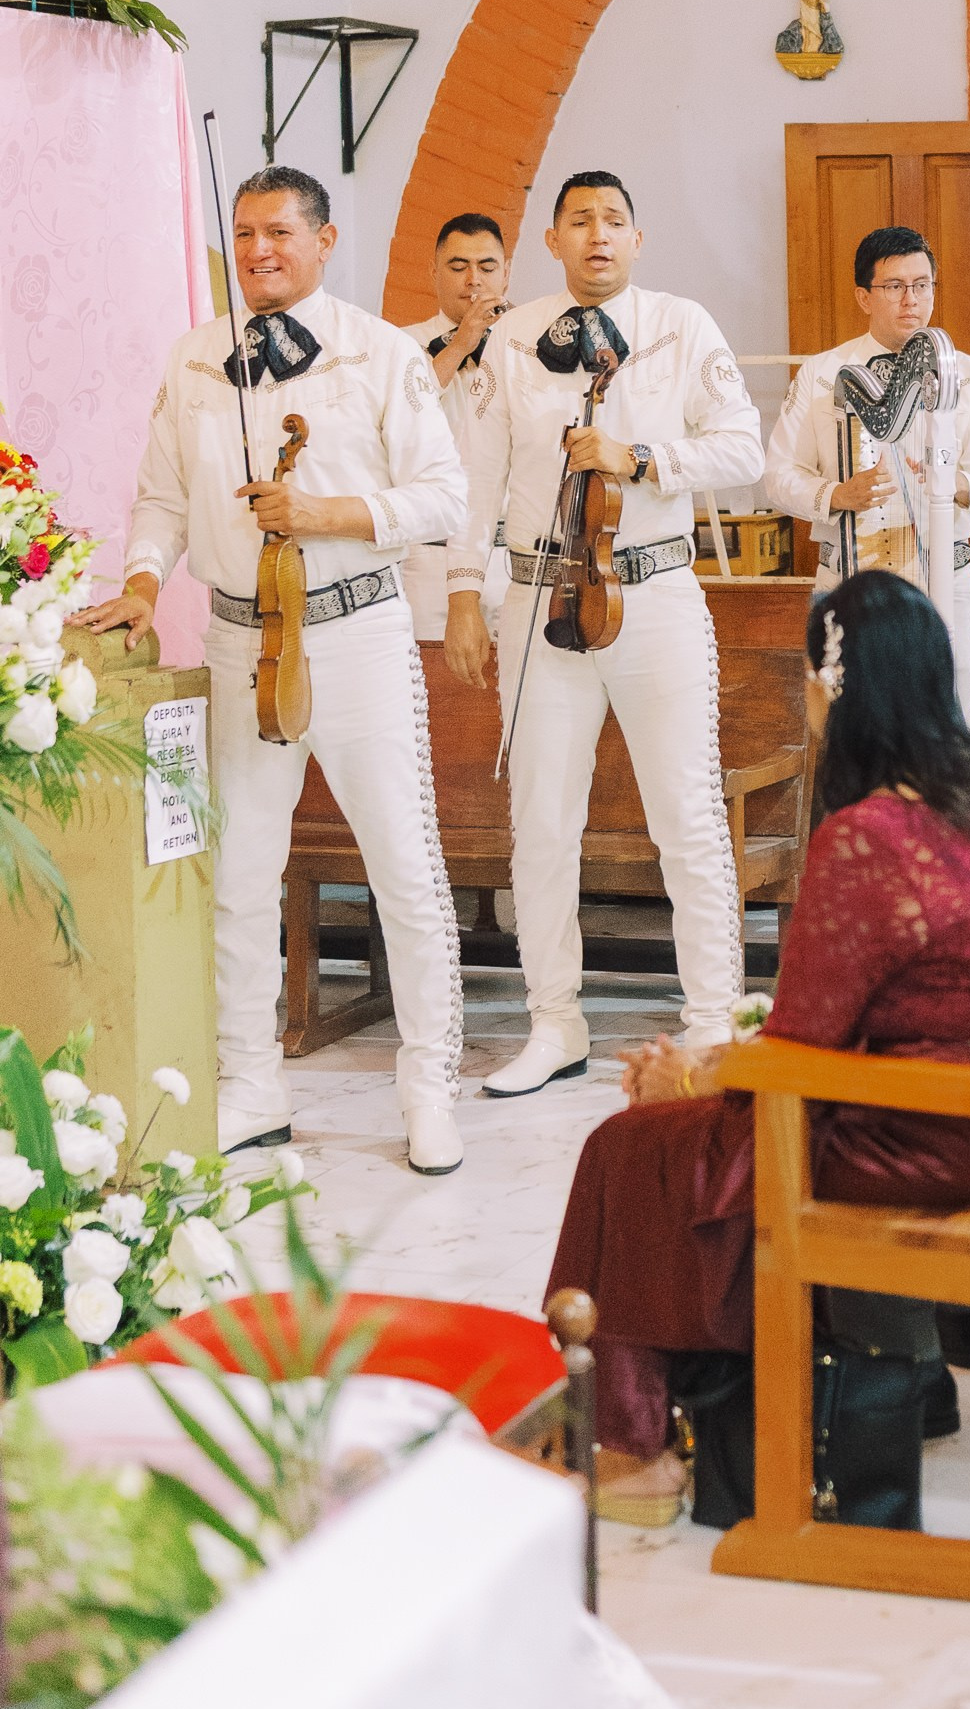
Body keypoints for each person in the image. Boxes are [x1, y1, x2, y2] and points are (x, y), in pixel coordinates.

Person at [543, 570, 970, 1495]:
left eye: (809, 675)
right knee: (675, 1134)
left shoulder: (869, 835)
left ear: (838, 686)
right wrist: (711, 1065)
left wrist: (690, 1080)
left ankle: (632, 1449)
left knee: (629, 1150)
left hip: (922, 1132)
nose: (807, 696)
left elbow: (798, 1055)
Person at [80, 164, 467, 1172]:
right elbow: (162, 496)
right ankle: (250, 1081)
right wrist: (137, 578)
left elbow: (440, 501)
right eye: (244, 234)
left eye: (279, 233)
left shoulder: (382, 355)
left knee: (404, 868)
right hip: (239, 638)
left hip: (357, 632)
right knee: (241, 874)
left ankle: (428, 1084)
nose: (258, 251)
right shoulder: (199, 359)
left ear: (325, 241)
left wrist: (331, 514)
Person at [444, 171, 763, 1093]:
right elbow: (478, 475)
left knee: (687, 817)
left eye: (615, 220)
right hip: (540, 596)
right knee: (541, 821)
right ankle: (554, 1023)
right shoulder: (512, 334)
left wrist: (646, 458)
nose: (598, 235)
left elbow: (742, 447)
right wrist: (466, 588)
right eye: (579, 220)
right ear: (552, 240)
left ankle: (712, 1024)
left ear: (637, 237)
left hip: (653, 588)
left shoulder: (679, 324)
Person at [764, 225, 970, 721]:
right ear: (864, 296)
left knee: (948, 726)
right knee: (852, 730)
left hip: (944, 575)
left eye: (922, 285)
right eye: (894, 286)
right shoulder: (820, 373)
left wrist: (954, 484)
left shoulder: (969, 374)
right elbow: (778, 475)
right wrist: (836, 494)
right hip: (848, 575)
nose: (911, 300)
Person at [400, 210, 513, 642]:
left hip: (513, 556)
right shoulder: (400, 344)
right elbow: (404, 418)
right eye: (458, 266)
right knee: (437, 696)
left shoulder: (531, 345)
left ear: (506, 273)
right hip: (430, 555)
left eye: (487, 267)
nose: (474, 280)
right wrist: (462, 343)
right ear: (434, 272)